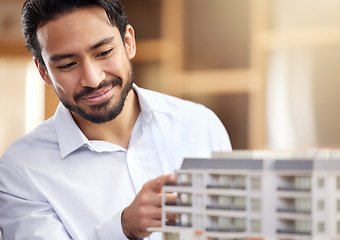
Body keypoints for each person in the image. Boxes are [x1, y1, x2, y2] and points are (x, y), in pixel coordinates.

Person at [0, 0, 232, 239]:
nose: (92, 78)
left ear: (128, 42)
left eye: (103, 53)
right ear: (44, 72)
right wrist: (124, 229)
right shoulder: (20, 171)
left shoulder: (201, 125)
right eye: (68, 64)